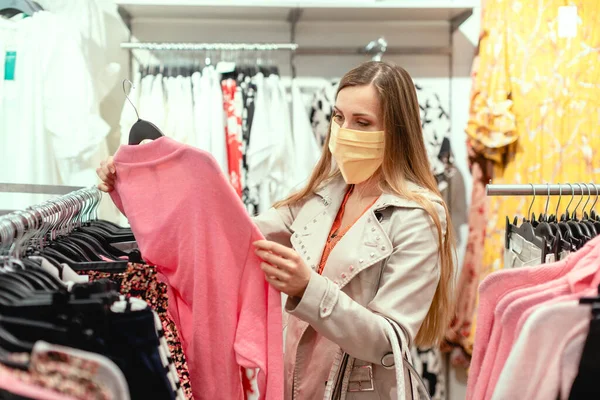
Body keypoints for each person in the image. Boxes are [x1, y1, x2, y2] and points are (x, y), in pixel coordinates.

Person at [97, 61, 455, 399]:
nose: (344, 132)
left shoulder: (417, 216)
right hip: (292, 384)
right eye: (339, 117)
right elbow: (231, 233)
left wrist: (308, 289)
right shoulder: (323, 196)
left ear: (396, 131)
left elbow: (388, 340)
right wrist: (141, 184)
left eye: (362, 122)